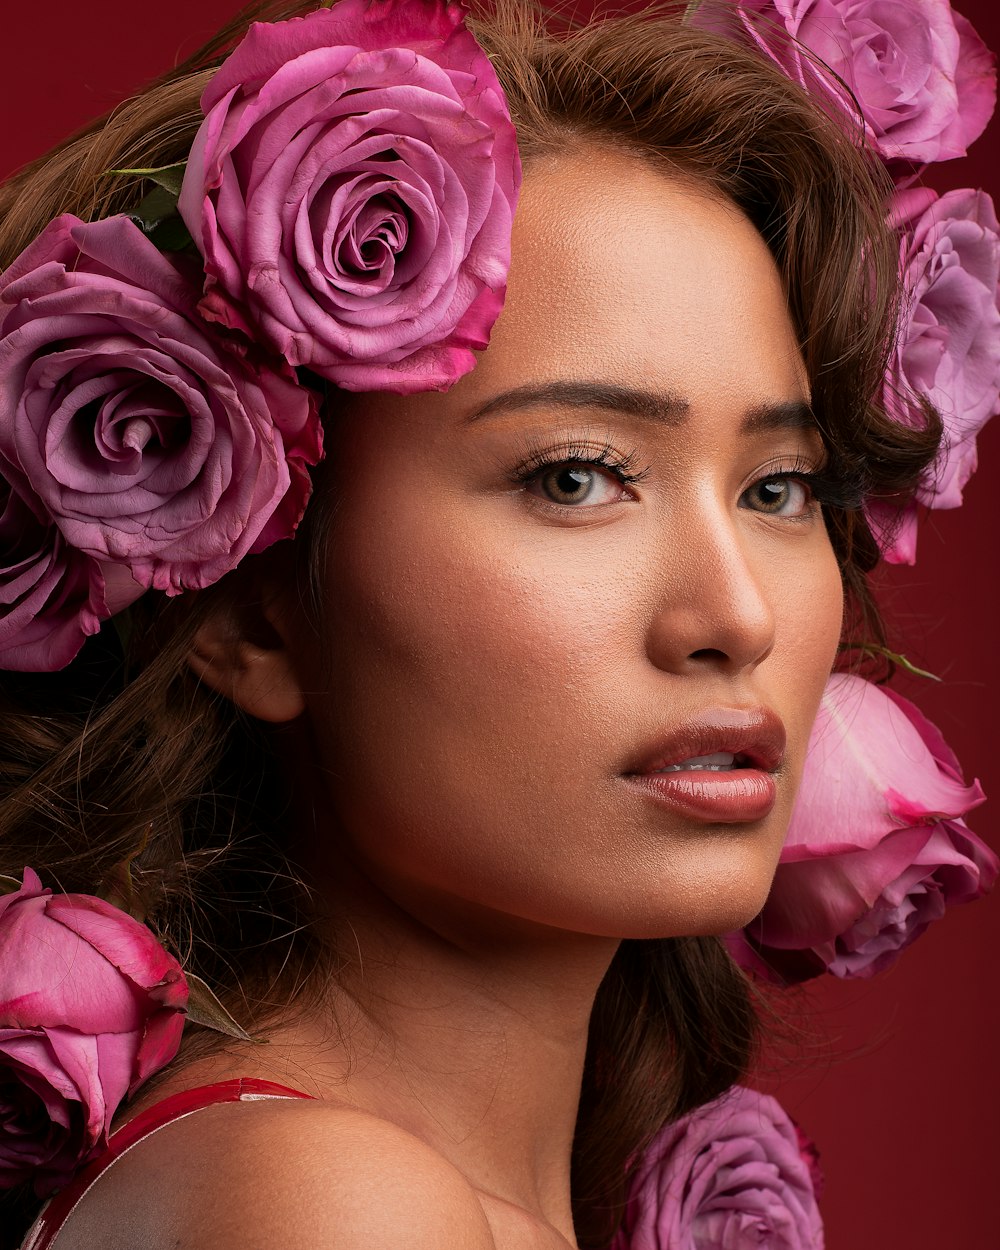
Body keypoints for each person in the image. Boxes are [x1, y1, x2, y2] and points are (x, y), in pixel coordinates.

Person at [0, 2, 942, 1247]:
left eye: (778, 488)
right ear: (251, 609)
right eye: (575, 475)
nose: (737, 614)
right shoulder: (329, 1207)